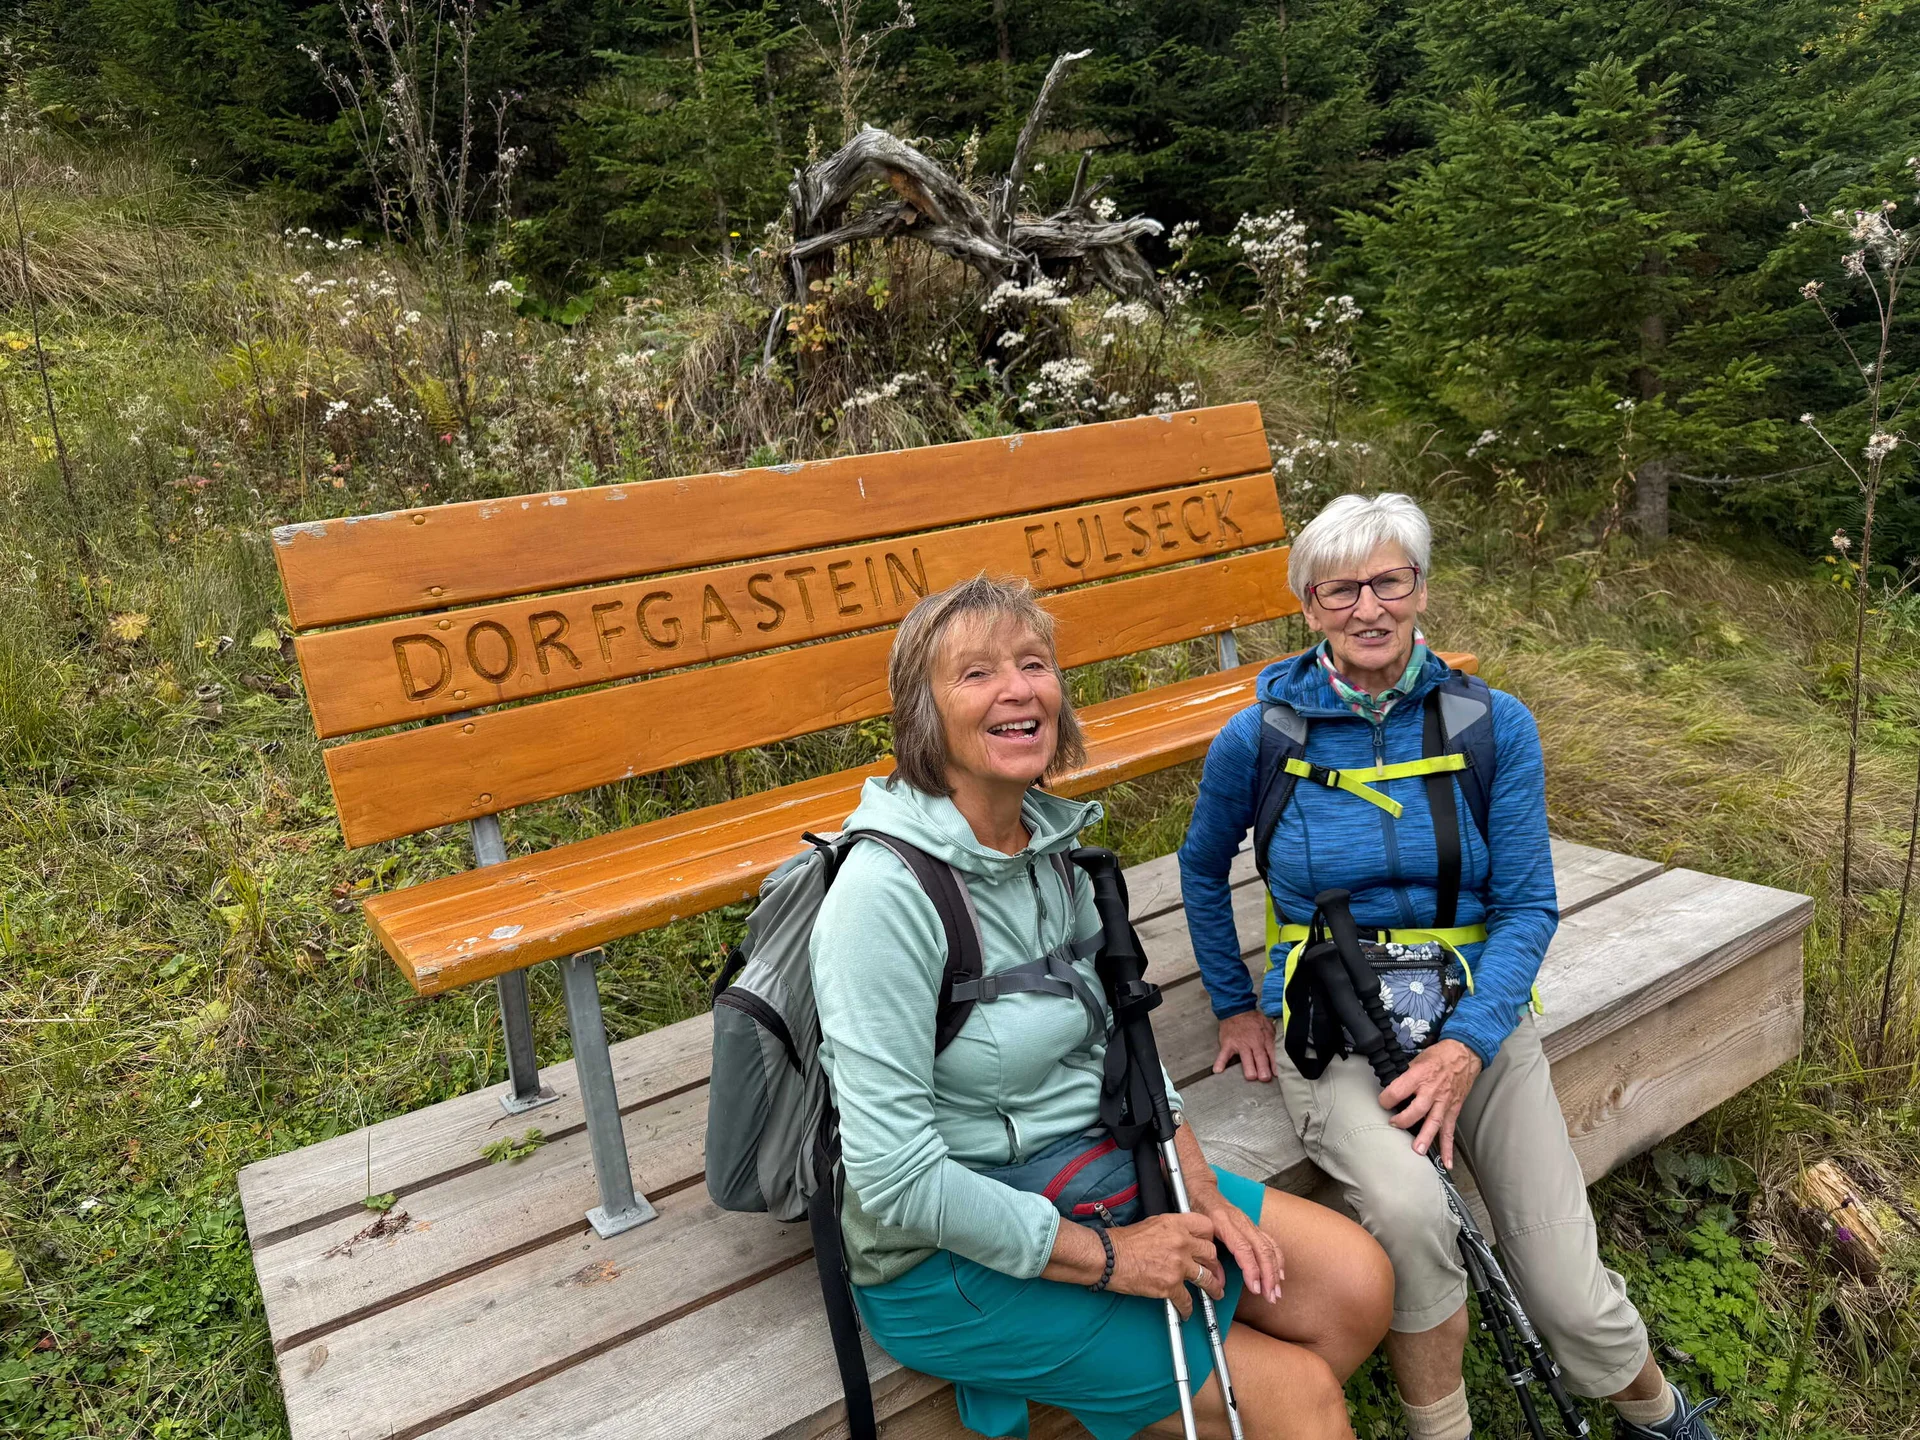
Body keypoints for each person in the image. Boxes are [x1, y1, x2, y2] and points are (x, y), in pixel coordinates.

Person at [1178, 493, 1722, 1440]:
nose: (1368, 608)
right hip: (1334, 1022)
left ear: (1421, 589)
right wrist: (1234, 1004)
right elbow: (1197, 864)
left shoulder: (1491, 725)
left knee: (1567, 1290)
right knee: (1411, 1216)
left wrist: (1469, 1045)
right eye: (1340, 590)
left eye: (1389, 581)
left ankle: (1662, 1415)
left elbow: (1528, 906)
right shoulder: (1261, 737)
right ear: (1308, 607)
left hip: (1475, 1015)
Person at [811, 575, 1394, 1440]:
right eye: (975, 674)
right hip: (944, 1251)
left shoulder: (1051, 848)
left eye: (1034, 663)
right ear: (922, 717)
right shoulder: (882, 899)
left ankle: (1168, 1399)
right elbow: (897, 1179)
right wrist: (1115, 1259)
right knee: (1300, 1402)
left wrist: (1199, 1188)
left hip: (1089, 1170)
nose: (1018, 689)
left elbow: (1124, 1038)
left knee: (1355, 1286)